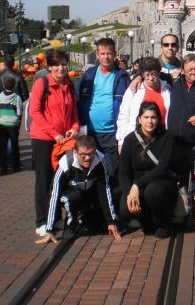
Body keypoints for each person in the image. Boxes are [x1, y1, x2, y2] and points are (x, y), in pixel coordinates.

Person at [29, 50, 79, 237]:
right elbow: (34, 112)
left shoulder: (69, 85)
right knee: (44, 179)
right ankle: (42, 220)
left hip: (63, 140)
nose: (61, 68)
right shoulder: (42, 83)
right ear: (49, 67)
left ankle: (56, 217)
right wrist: (54, 133)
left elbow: (74, 111)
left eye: (64, 64)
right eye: (56, 65)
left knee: (59, 179)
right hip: (43, 138)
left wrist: (74, 127)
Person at [37, 135, 121, 244]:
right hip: (72, 193)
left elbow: (105, 190)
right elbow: (54, 194)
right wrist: (49, 229)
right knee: (73, 197)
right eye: (83, 155)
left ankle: (90, 217)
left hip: (90, 191)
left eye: (91, 154)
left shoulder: (101, 160)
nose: (87, 158)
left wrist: (111, 221)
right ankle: (70, 225)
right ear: (75, 152)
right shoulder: (65, 163)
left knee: (114, 190)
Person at [119, 102, 178, 238]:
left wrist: (137, 185)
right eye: (146, 117)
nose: (150, 121)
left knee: (153, 192)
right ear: (139, 119)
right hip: (138, 184)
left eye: (153, 117)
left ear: (159, 119)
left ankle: (164, 223)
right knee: (125, 208)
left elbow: (163, 168)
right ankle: (146, 221)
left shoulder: (168, 137)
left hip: (161, 181)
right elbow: (124, 172)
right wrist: (129, 193)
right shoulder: (130, 140)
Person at [77, 38, 131, 177]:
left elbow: (130, 103)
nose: (106, 57)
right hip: (90, 133)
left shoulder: (122, 77)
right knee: (92, 172)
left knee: (112, 171)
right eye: (102, 53)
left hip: (112, 134)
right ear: (97, 54)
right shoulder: (89, 74)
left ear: (115, 54)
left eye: (109, 53)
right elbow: (78, 99)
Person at [115, 57, 172, 147]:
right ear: (142, 75)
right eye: (147, 75)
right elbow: (124, 116)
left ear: (159, 73)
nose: (151, 78)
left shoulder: (167, 89)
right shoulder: (134, 90)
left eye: (153, 74)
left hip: (162, 140)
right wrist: (121, 141)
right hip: (138, 141)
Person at [0, 75, 23, 174]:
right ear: (14, 85)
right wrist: (18, 121)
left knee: (3, 146)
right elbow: (19, 112)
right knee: (14, 144)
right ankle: (16, 165)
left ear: (4, 85)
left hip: (2, 123)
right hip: (13, 124)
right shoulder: (17, 98)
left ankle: (3, 167)